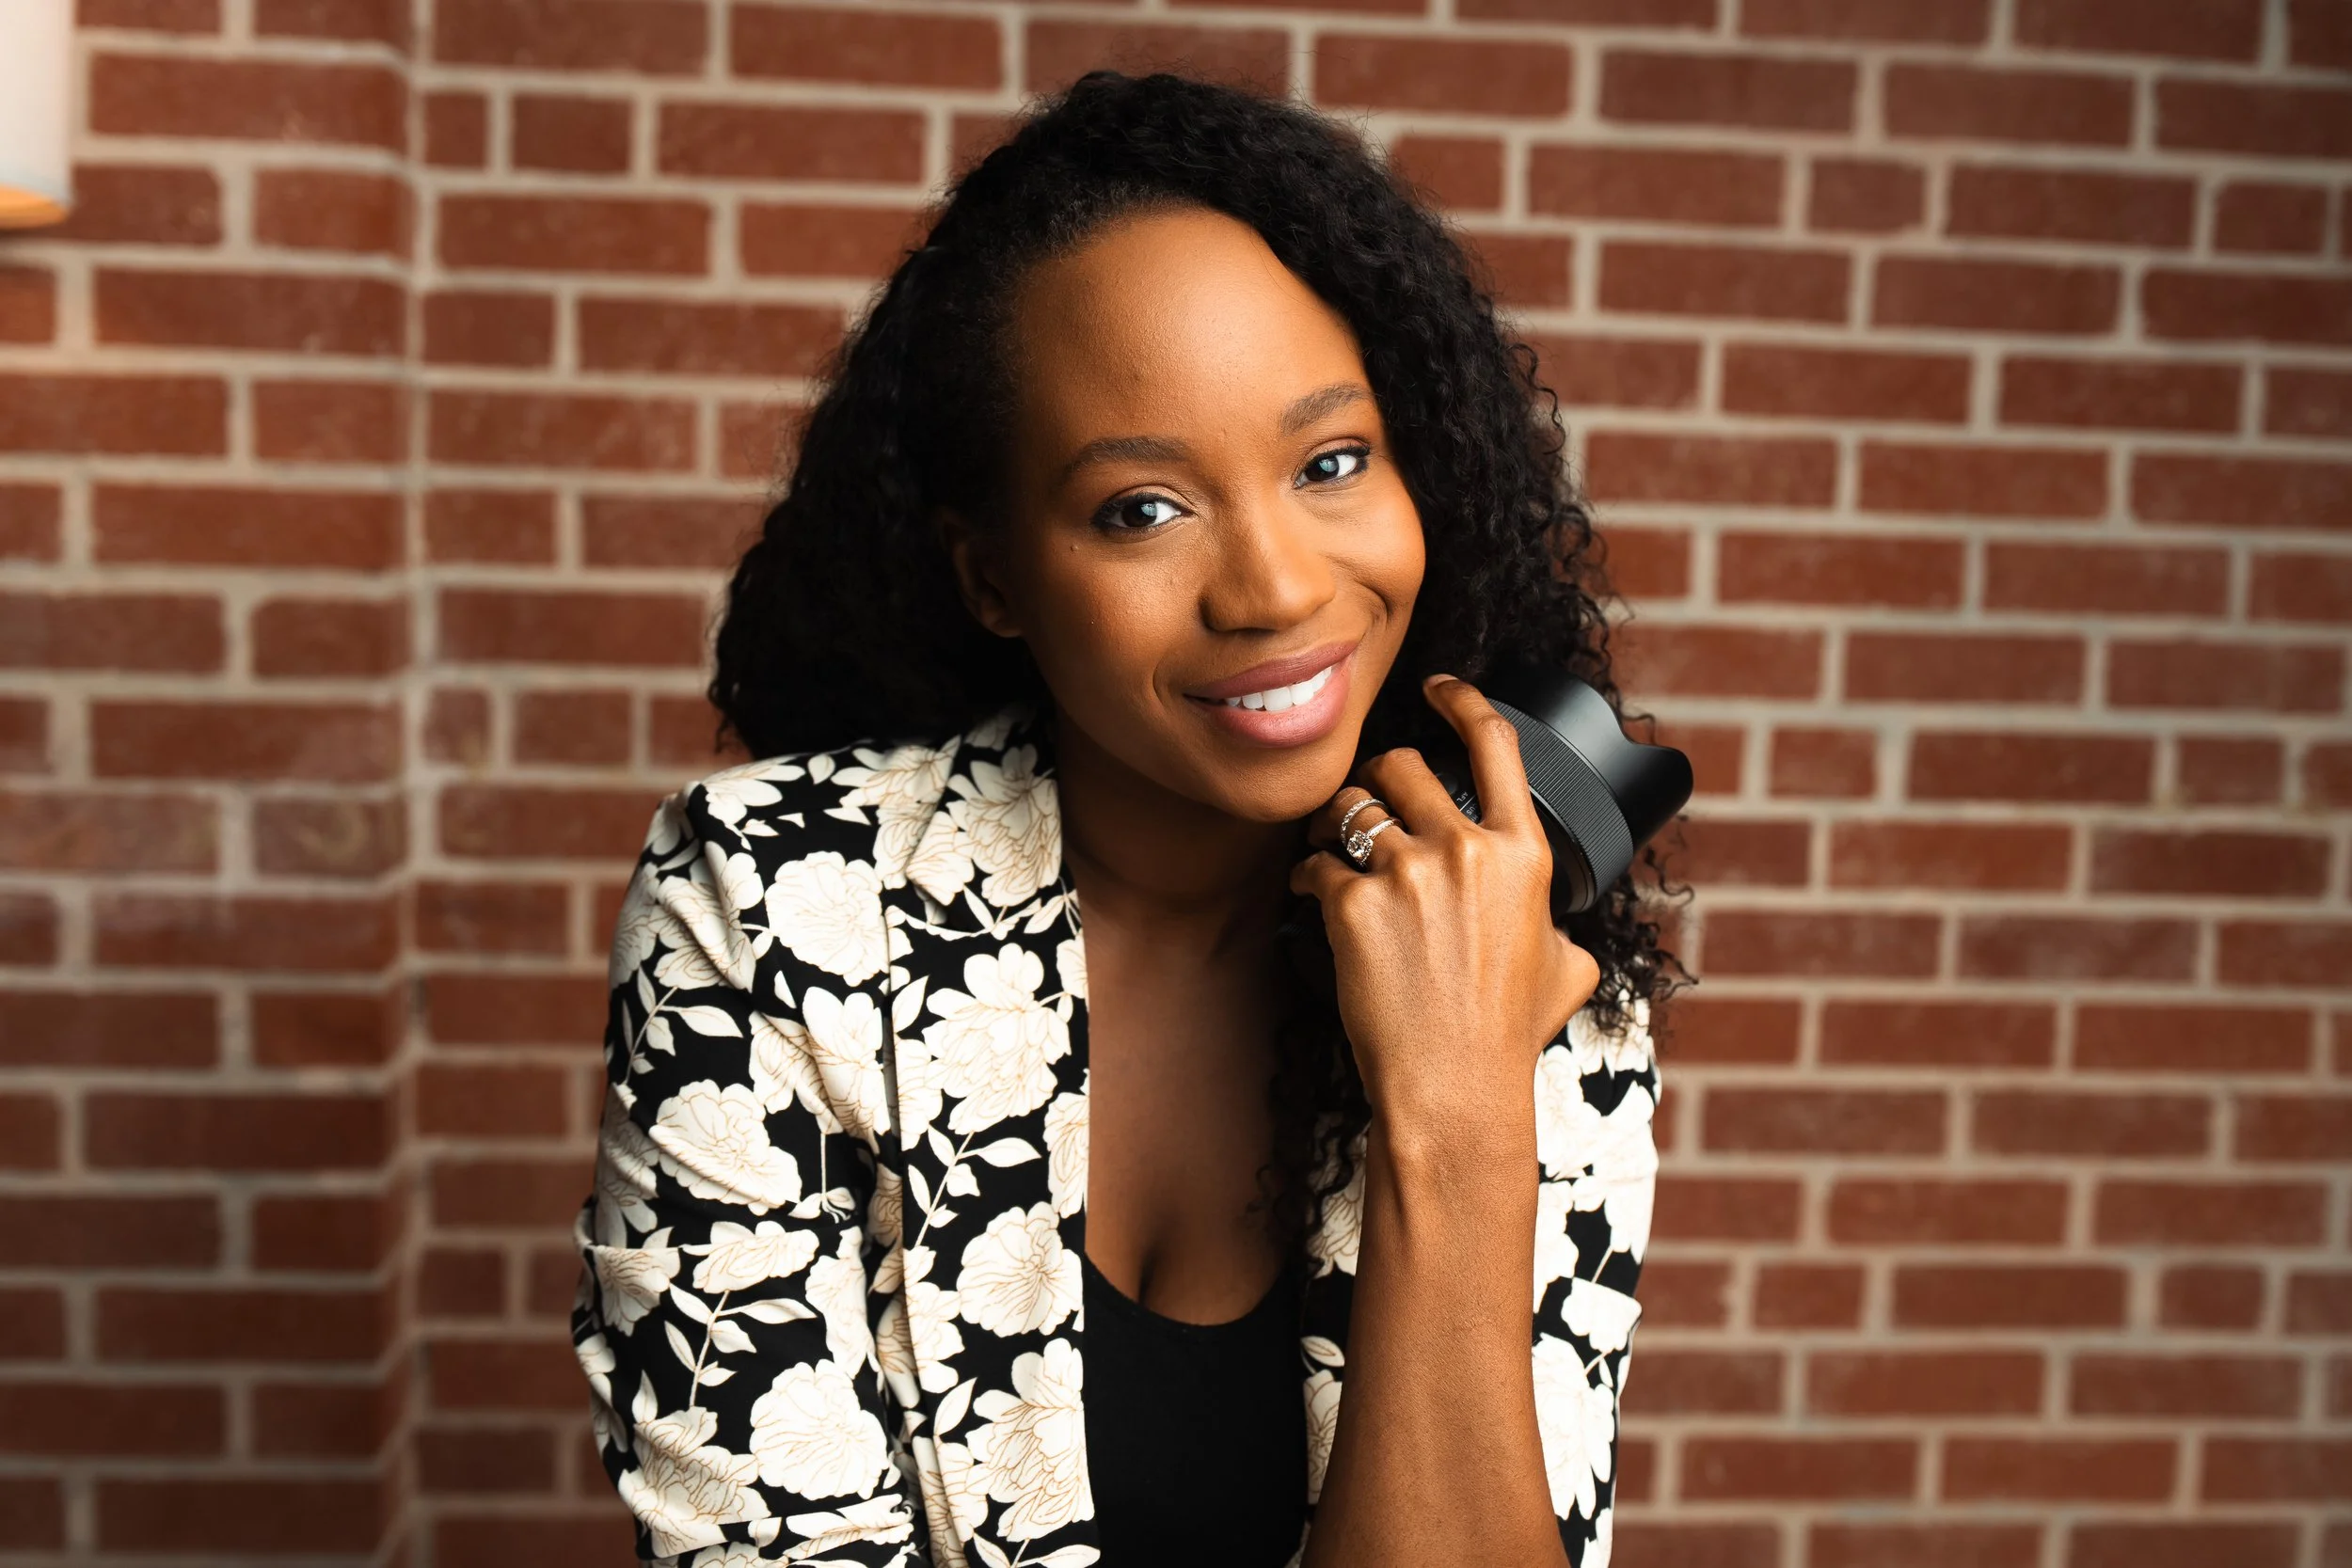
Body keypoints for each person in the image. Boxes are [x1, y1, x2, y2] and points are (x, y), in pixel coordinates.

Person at [569, 69, 1673, 1568]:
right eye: (1141, 508)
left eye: (1332, 462)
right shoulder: (774, 913)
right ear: (994, 577)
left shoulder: (1513, 948)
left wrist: (1461, 1111)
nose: (1277, 589)